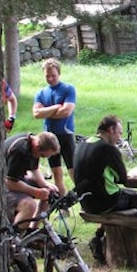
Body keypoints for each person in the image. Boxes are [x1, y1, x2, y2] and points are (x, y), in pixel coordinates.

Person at [32, 58, 76, 194]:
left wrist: (46, 112)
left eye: (53, 76)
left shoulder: (68, 89)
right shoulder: (41, 93)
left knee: (73, 171)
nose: (50, 79)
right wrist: (56, 107)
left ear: (59, 74)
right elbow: (36, 114)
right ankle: (62, 205)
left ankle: (87, 202)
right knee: (56, 172)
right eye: (47, 76)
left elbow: (66, 111)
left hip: (65, 135)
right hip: (49, 137)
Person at [3, 130, 62, 224]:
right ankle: (17, 237)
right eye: (42, 156)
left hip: (15, 180)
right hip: (1, 186)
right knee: (29, 205)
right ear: (37, 147)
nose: (41, 158)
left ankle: (33, 230)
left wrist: (45, 185)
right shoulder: (20, 151)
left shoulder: (34, 142)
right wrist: (36, 192)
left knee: (49, 192)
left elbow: (34, 169)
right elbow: (9, 182)